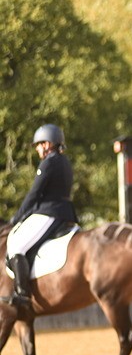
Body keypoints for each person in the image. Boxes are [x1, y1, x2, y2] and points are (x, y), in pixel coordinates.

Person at [3, 124, 78, 309]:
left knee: (15, 246)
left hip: (49, 213)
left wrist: (17, 217)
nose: (37, 149)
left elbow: (35, 194)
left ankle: (23, 295)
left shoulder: (49, 162)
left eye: (38, 145)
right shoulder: (65, 161)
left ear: (47, 144)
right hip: (65, 212)